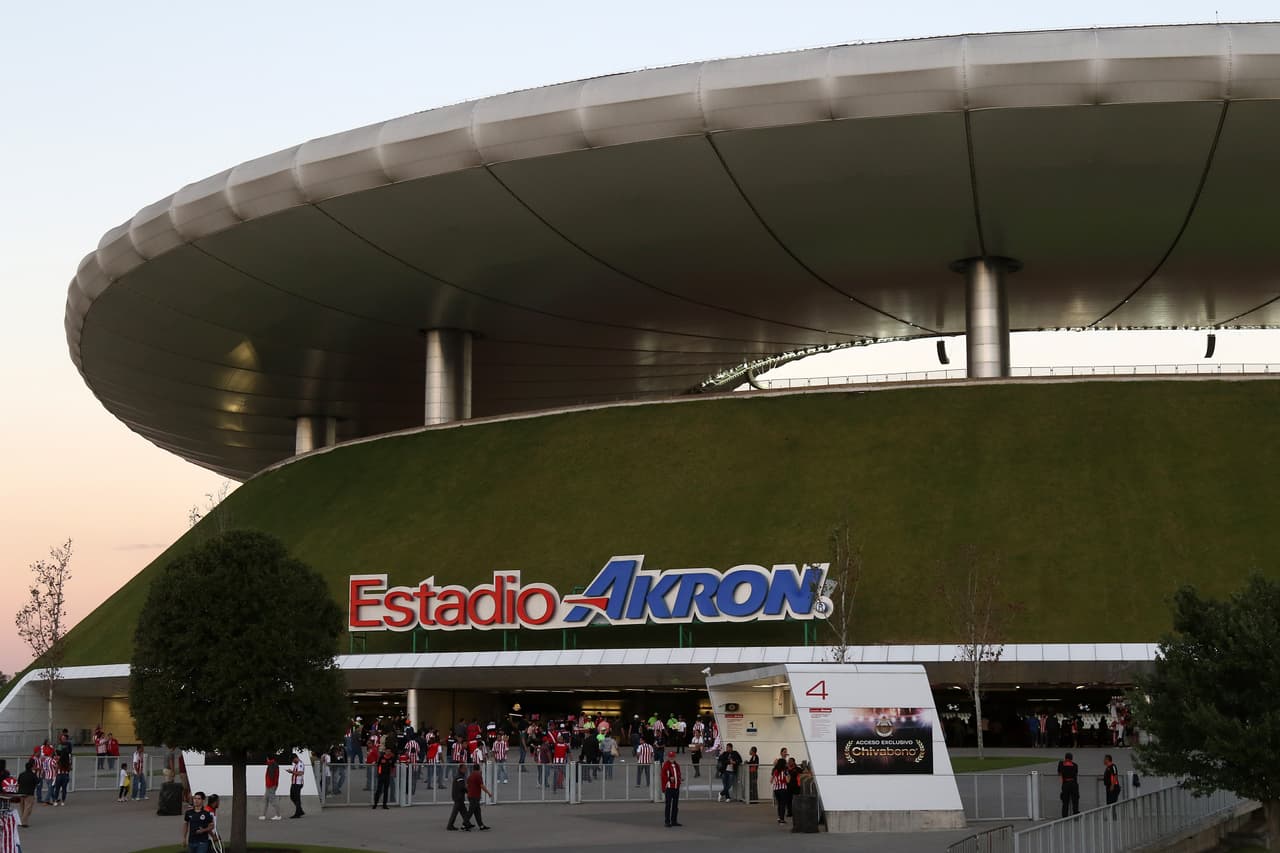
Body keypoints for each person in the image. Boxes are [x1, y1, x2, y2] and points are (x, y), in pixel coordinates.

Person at [465, 763, 492, 830]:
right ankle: (464, 824)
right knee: (471, 811)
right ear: (479, 768)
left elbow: (467, 785)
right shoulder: (478, 775)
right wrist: (488, 792)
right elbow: (481, 785)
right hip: (475, 796)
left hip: (471, 795)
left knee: (477, 811)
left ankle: (481, 825)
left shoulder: (470, 775)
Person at [445, 765, 472, 831]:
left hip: (458, 796)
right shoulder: (460, 777)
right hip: (458, 797)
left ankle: (467, 823)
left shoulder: (460, 776)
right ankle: (450, 825)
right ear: (460, 769)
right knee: (455, 812)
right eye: (464, 769)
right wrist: (468, 791)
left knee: (463, 811)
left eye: (466, 769)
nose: (466, 770)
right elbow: (461, 787)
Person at [661, 750, 683, 827]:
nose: (671, 758)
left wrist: (679, 780)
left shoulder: (677, 765)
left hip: (676, 788)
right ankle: (667, 821)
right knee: (668, 805)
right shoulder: (666, 765)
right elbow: (663, 776)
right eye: (670, 757)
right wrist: (668, 780)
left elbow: (679, 774)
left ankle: (674, 820)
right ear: (668, 757)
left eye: (673, 756)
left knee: (675, 805)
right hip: (669, 788)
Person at [1058, 751, 1080, 817]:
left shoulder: (1061, 764)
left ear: (1065, 758)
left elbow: (1059, 773)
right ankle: (1076, 814)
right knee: (1075, 800)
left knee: (1065, 801)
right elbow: (1075, 774)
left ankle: (1065, 816)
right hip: (1073, 783)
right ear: (1071, 758)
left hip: (1065, 784)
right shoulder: (1075, 765)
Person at [16, 760, 37, 828]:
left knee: (22, 808)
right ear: (31, 767)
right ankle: (23, 822)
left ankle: (23, 821)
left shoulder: (21, 774)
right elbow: (37, 782)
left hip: (21, 793)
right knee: (28, 809)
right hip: (29, 793)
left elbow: (18, 782)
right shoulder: (33, 775)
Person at [260, 756, 281, 820]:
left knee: (273, 800)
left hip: (270, 785)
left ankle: (278, 815)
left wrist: (269, 785)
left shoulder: (271, 765)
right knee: (266, 799)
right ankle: (263, 815)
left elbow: (271, 776)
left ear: (268, 758)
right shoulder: (273, 764)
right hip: (271, 785)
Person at [770, 758, 790, 823]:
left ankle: (779, 817)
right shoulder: (785, 770)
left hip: (776, 789)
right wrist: (789, 776)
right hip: (783, 788)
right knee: (783, 804)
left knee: (779, 804)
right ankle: (782, 819)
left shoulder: (774, 770)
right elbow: (788, 780)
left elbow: (771, 781)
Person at [288, 752, 306, 818]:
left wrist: (291, 772)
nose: (292, 761)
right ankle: (300, 810)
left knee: (297, 798)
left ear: (295, 758)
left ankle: (298, 813)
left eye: (293, 760)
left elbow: (300, 773)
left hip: (297, 783)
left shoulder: (300, 764)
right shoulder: (296, 764)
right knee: (292, 796)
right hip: (294, 783)